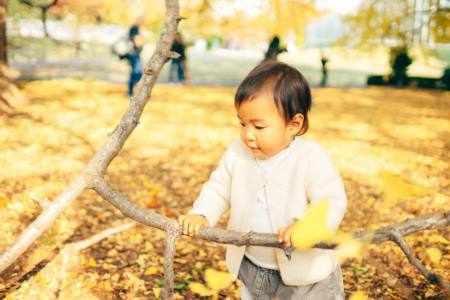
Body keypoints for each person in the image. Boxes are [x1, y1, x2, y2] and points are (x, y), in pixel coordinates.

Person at [179, 61, 347, 299]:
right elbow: (218, 188)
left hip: (307, 276)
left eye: (258, 126)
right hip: (252, 265)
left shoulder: (310, 157)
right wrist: (202, 213)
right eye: (242, 123)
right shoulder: (238, 153)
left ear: (293, 124)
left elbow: (331, 200)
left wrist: (309, 227)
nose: (247, 135)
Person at [127, 17, 144, 96]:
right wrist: (141, 42)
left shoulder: (134, 28)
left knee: (136, 72)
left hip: (134, 54)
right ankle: (132, 91)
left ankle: (132, 91)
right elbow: (137, 40)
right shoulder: (134, 28)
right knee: (137, 72)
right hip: (134, 54)